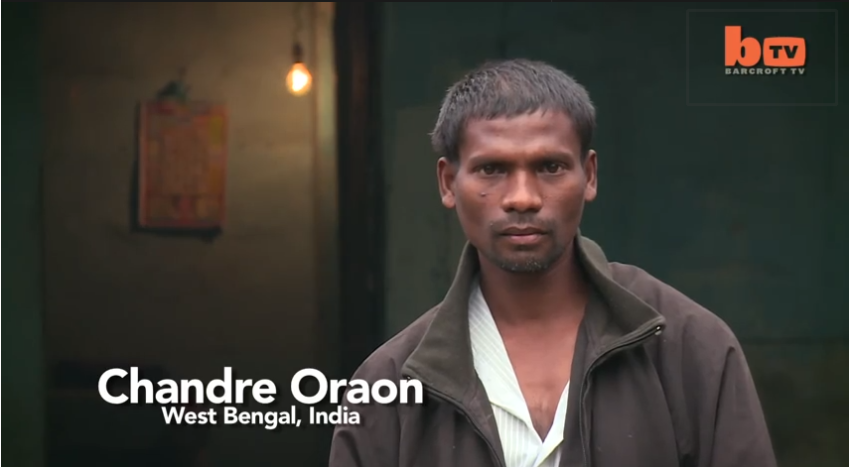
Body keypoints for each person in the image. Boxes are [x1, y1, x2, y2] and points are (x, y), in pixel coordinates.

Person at [328, 59, 777, 467]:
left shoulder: (689, 348)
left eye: (550, 167)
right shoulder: (388, 384)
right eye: (492, 170)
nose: (523, 197)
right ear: (448, 182)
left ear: (590, 176)